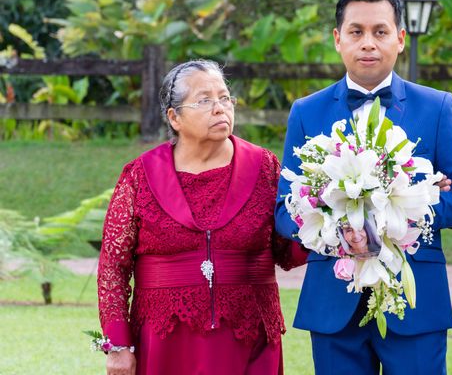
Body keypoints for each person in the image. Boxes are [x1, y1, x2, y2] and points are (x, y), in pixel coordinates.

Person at [275, 0, 452, 374]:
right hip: (333, 301)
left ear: (400, 38)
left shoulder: (436, 108)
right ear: (338, 39)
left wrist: (409, 204)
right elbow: (285, 212)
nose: (368, 43)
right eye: (356, 32)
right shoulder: (306, 111)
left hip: (416, 302)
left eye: (380, 32)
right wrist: (336, 227)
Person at [97, 60, 307, 375]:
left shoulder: (264, 167)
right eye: (204, 100)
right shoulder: (140, 175)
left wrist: (330, 227)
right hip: (164, 343)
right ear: (174, 117)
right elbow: (114, 267)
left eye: (225, 98)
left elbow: (286, 250)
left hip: (249, 338)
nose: (220, 108)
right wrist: (118, 344)